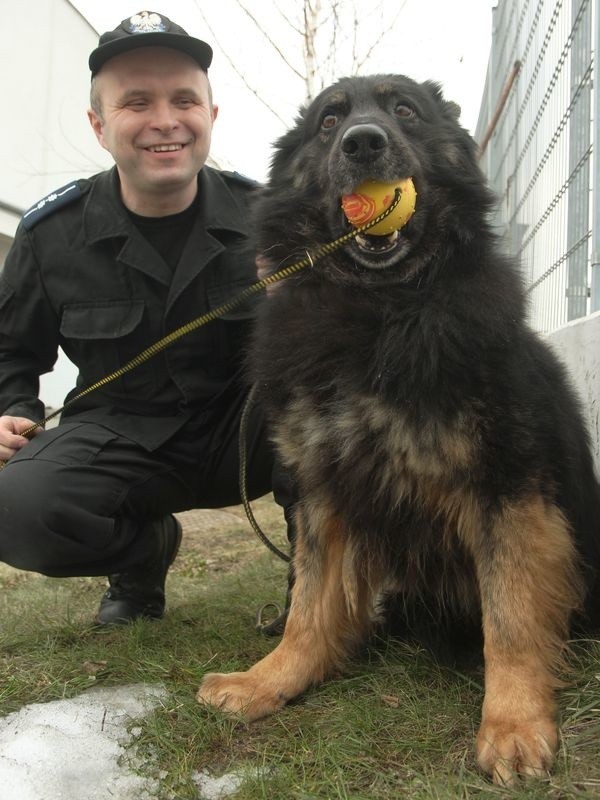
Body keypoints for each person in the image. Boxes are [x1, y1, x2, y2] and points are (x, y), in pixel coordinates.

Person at [0, 11, 293, 627]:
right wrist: (14, 412)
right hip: (120, 437)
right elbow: (13, 353)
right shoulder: (49, 235)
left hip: (246, 436)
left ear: (210, 117)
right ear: (99, 124)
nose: (165, 120)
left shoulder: (270, 220)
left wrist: (298, 294)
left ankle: (318, 588)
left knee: (332, 421)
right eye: (136, 102)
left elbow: (333, 344)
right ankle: (142, 557)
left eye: (184, 99)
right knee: (13, 505)